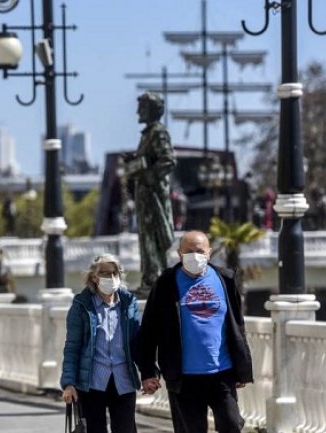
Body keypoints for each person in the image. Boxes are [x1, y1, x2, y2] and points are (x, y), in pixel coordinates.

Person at [137, 230, 253, 433]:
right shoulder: (166, 283)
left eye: (199, 250)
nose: (194, 255)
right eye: (188, 251)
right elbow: (148, 331)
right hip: (184, 378)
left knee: (232, 424)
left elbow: (237, 326)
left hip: (221, 373)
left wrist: (242, 368)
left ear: (209, 252)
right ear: (180, 253)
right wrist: (148, 372)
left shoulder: (225, 279)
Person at [60, 254, 141, 433]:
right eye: (104, 273)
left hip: (123, 381)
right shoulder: (82, 305)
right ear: (94, 277)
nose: (110, 277)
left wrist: (150, 373)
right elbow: (72, 347)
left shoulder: (128, 303)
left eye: (114, 273)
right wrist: (69, 383)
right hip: (92, 382)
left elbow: (137, 343)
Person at [124, 92, 176, 298]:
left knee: (154, 237)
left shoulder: (158, 133)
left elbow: (168, 160)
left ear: (151, 110)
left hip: (153, 196)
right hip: (146, 195)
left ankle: (156, 279)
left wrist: (148, 174)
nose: (138, 111)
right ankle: (149, 279)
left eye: (142, 108)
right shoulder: (148, 134)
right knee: (146, 238)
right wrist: (136, 161)